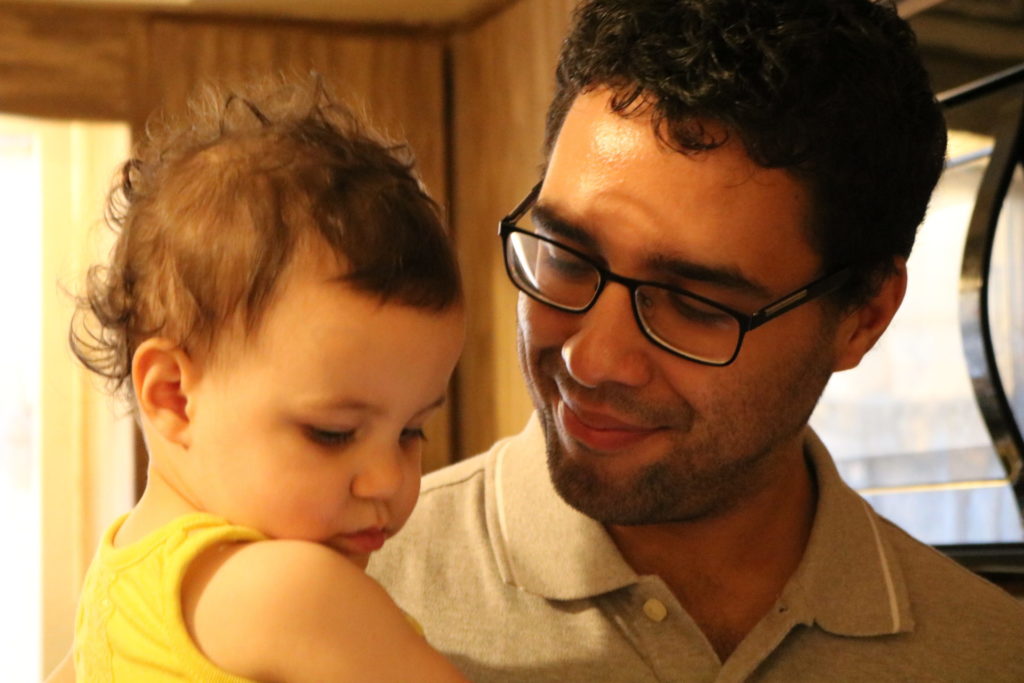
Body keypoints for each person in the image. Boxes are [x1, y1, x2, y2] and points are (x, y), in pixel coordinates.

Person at [368, 0, 1024, 680]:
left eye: (693, 302)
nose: (589, 360)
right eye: (566, 256)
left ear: (863, 317)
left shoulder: (989, 653)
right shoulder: (345, 587)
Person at [64, 78, 468, 682]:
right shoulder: (293, 591)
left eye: (413, 430)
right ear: (174, 395)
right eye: (333, 433)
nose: (390, 479)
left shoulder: (117, 580)